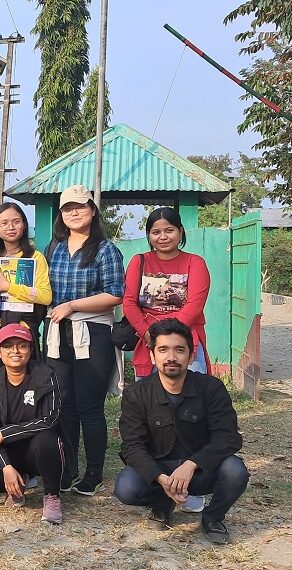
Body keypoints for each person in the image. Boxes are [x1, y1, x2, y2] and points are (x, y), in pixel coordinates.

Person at [114, 318, 249, 544]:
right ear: (152, 356)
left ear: (191, 355)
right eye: (163, 350)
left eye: (179, 350)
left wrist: (191, 465)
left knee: (235, 471)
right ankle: (162, 504)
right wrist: (160, 478)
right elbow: (131, 446)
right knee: (126, 488)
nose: (171, 357)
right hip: (159, 470)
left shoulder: (211, 388)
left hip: (200, 470)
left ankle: (213, 518)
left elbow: (228, 438)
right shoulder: (136, 393)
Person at [44, 184, 124, 496]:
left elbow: (115, 294)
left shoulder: (105, 249)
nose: (74, 212)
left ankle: (93, 473)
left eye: (80, 206)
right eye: (67, 208)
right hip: (57, 333)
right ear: (61, 215)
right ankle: (68, 469)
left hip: (93, 332)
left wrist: (73, 306)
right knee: (64, 404)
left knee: (89, 406)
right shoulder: (54, 249)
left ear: (92, 210)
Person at [0, 323, 65, 524]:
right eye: (8, 346)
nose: (15, 351)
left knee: (47, 440)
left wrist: (5, 433)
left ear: (30, 350)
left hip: (38, 447)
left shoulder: (46, 375)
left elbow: (50, 419)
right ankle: (18, 482)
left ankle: (52, 496)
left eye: (22, 345)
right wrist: (6, 466)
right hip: (11, 449)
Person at [123, 207, 210, 380]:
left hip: (185, 337)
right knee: (148, 393)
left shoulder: (195, 263)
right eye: (156, 232)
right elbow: (129, 303)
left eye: (169, 230)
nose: (163, 237)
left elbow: (194, 305)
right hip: (148, 339)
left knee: (192, 391)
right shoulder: (139, 261)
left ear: (180, 232)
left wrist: (169, 337)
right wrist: (148, 334)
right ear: (149, 235)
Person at [0, 202, 52, 373]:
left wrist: (9, 287)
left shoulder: (35, 257)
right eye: (4, 223)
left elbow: (45, 296)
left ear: (24, 225)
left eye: (16, 222)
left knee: (28, 380)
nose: (11, 227)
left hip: (24, 330)